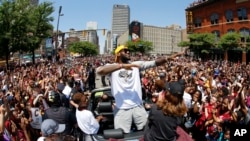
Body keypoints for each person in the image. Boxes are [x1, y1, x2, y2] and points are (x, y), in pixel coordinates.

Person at [96, 45, 185, 133]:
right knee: (121, 135)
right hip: (121, 108)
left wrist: (167, 58)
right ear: (118, 54)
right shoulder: (111, 67)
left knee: (146, 131)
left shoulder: (136, 65)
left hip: (138, 106)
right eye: (125, 50)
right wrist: (122, 66)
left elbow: (154, 63)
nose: (128, 52)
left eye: (128, 50)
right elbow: (99, 71)